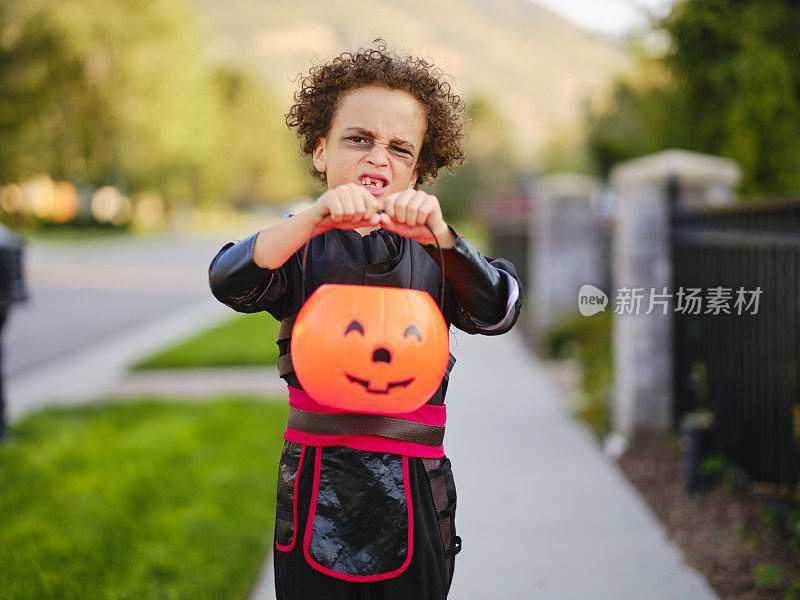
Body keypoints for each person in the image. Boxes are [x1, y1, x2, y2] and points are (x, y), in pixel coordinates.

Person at [208, 39, 523, 600]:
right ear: (320, 150)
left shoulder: (436, 251)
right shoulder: (298, 246)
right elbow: (228, 281)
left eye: (400, 149)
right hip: (314, 486)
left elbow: (498, 308)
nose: (378, 157)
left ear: (419, 170)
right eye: (359, 139)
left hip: (415, 490)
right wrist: (311, 221)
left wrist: (444, 242)